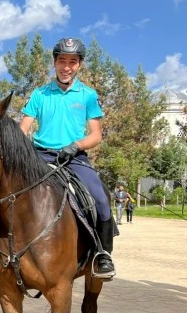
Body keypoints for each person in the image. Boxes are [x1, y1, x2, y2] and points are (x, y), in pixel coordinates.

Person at [20, 37, 116, 280]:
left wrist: (76, 145)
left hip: (74, 157)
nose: (66, 66)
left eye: (72, 62)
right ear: (54, 62)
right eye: (62, 60)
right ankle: (3, 247)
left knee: (101, 198)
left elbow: (96, 135)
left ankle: (103, 254)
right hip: (40, 156)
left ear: (79, 65)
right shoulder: (39, 94)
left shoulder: (88, 95)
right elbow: (23, 129)